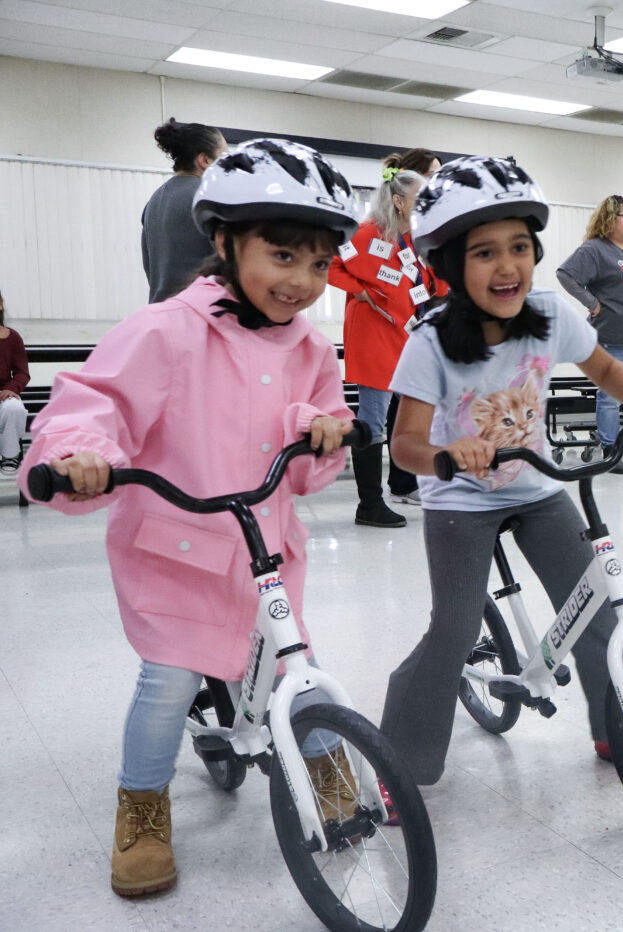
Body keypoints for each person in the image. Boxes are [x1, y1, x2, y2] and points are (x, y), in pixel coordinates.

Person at [20, 139, 360, 898]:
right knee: (169, 683)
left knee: (294, 672)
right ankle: (141, 808)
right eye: (281, 256)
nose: (301, 282)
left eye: (318, 264)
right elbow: (94, 400)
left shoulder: (311, 344)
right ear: (223, 242)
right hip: (177, 549)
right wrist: (80, 450)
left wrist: (324, 430)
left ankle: (329, 763)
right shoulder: (168, 329)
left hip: (264, 549)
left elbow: (308, 463)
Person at [378, 156, 623, 786]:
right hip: (460, 500)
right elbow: (403, 444)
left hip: (537, 485)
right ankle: (398, 757)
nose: (508, 265)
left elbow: (603, 368)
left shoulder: (549, 312)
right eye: (485, 253)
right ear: (451, 265)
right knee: (456, 626)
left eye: (519, 247)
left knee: (597, 605)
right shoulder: (431, 338)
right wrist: (445, 455)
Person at [328, 155, 448, 527]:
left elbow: (432, 285)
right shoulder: (366, 235)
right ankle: (369, 504)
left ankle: (404, 483)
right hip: (374, 338)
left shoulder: (411, 241)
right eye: (420, 197)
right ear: (399, 200)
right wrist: (358, 291)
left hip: (405, 340)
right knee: (373, 419)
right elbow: (329, 265)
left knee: (405, 417)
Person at [557, 194, 623, 474]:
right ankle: (611, 450)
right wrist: (593, 304)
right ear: (609, 219)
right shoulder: (595, 249)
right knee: (611, 398)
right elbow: (566, 275)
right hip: (613, 338)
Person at [141, 118, 227, 303]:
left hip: (162, 314)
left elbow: (151, 268)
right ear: (205, 160)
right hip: (200, 314)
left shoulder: (154, 201)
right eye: (224, 157)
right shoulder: (209, 198)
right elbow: (232, 266)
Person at [0, 289, 30, 474]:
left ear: (0, 304)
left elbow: (22, 372)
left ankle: (10, 456)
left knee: (15, 409)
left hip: (3, 396)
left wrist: (11, 389)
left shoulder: (13, 338)